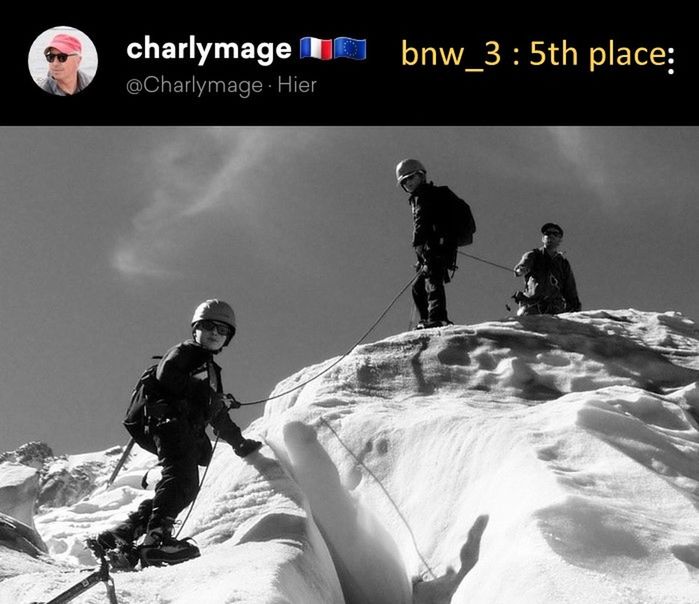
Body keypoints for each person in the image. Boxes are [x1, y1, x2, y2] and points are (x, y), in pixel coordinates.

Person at [95, 299, 262, 566]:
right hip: (170, 423)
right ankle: (157, 541)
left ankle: (121, 535)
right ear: (196, 328)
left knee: (179, 483)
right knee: (182, 480)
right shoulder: (187, 351)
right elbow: (167, 374)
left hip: (171, 426)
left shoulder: (209, 370)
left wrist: (239, 442)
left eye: (223, 330)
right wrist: (209, 396)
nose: (215, 333)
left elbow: (217, 416)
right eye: (209, 326)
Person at [396, 158, 458, 329]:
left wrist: (422, 245)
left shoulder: (425, 195)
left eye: (410, 178)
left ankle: (437, 318)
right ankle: (428, 318)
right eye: (403, 181)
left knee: (432, 281)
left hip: (435, 246)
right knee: (419, 286)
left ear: (421, 175)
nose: (407, 183)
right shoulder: (421, 196)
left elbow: (422, 224)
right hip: (433, 247)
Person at [513, 223, 582, 315]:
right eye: (548, 233)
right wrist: (521, 270)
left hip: (555, 310)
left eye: (555, 234)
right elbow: (523, 265)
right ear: (543, 238)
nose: (551, 235)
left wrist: (575, 308)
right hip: (532, 306)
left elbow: (570, 289)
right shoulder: (534, 254)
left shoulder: (563, 264)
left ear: (560, 240)